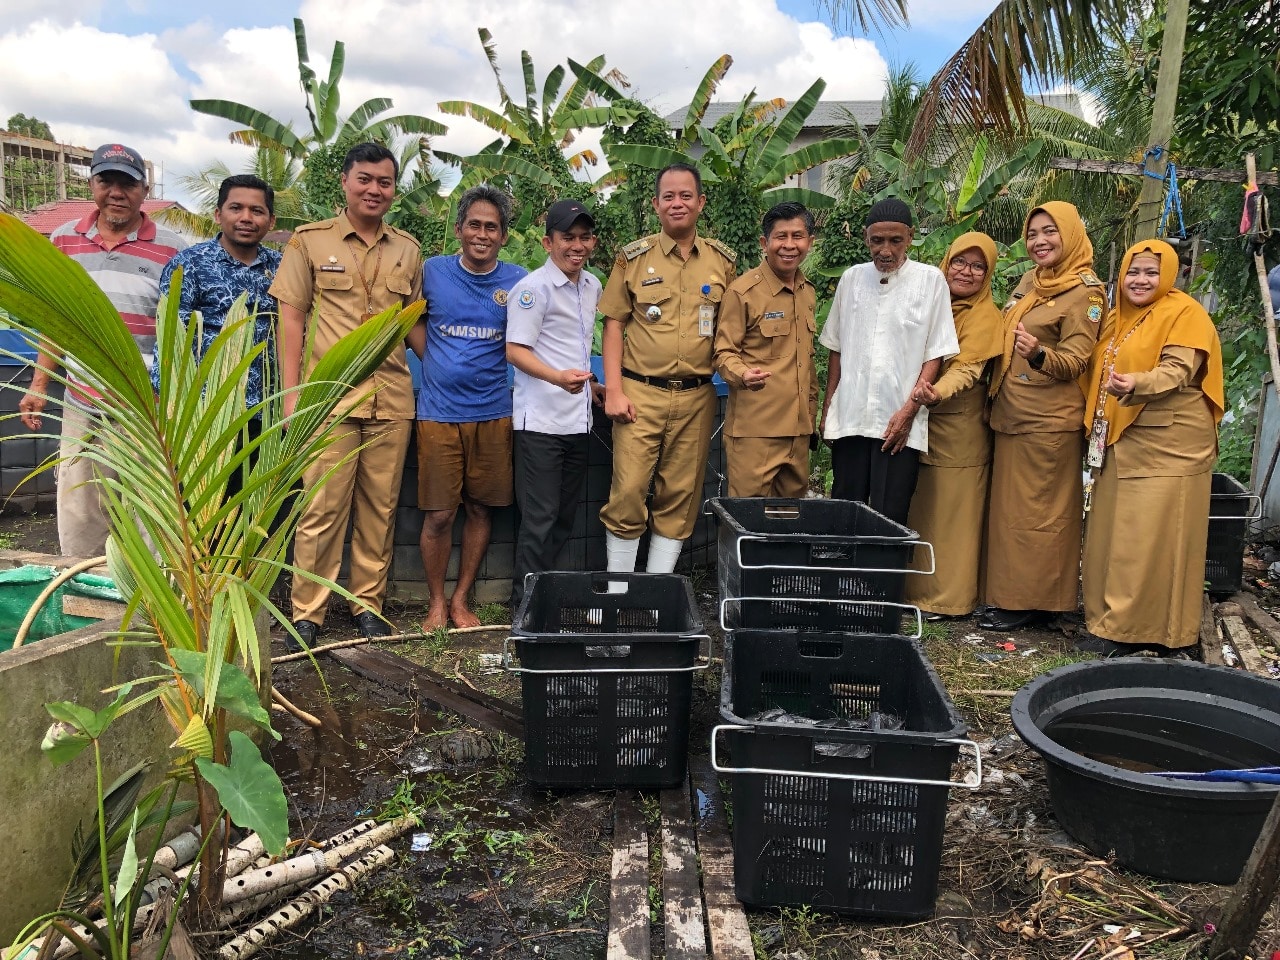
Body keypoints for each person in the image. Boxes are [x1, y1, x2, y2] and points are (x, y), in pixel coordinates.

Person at [269, 142, 422, 646]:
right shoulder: (309, 242)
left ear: (394, 189)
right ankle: (308, 612)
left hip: (392, 397)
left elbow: (415, 326)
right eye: (365, 179)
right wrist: (292, 397)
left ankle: (366, 605)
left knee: (381, 507)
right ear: (345, 181)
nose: (374, 189)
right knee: (321, 508)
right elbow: (290, 318)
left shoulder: (408, 249)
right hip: (328, 400)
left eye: (384, 182)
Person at [18, 143, 187, 558]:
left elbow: (179, 329)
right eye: (106, 180)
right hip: (82, 397)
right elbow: (55, 321)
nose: (116, 191)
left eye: (126, 183)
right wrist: (38, 384)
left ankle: (149, 602)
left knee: (149, 507)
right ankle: (84, 596)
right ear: (91, 184)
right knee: (80, 506)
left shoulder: (172, 248)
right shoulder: (62, 241)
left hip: (145, 402)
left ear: (143, 190)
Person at [1079, 239, 1224, 654]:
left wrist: (1137, 384)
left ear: (1170, 275)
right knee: (1112, 534)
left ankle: (1147, 633)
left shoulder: (1185, 313)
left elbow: (1178, 370)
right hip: (1122, 436)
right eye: (1133, 272)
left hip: (1170, 444)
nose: (1140, 281)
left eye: (1150, 273)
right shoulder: (1117, 317)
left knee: (1153, 538)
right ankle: (1109, 621)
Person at [599, 163, 737, 575]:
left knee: (680, 494)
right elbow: (613, 324)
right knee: (628, 491)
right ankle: (621, 594)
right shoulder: (633, 258)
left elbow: (731, 328)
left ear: (700, 203)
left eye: (686, 196)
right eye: (669, 197)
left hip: (696, 395)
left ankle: (658, 593)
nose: (677, 203)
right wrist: (615, 389)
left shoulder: (721, 262)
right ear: (656, 204)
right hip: (639, 393)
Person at [979, 202, 1102, 632]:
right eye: (1032, 234)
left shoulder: (1086, 292)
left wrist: (1038, 353)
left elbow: (1076, 361)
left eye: (1050, 232)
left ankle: (1036, 602)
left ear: (1069, 234)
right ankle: (1012, 594)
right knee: (1013, 514)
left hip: (1049, 421)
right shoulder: (1032, 281)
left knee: (1043, 516)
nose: (1039, 241)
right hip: (1011, 414)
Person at [411, 185, 526, 629]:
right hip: (439, 414)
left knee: (481, 509)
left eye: (491, 227)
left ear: (503, 236)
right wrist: (438, 364)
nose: (482, 234)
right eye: (474, 225)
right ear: (459, 229)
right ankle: (436, 602)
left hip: (494, 412)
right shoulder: (433, 272)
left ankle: (461, 600)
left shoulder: (517, 281)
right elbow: (413, 322)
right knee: (439, 514)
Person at [818, 197, 957, 525]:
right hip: (851, 418)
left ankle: (881, 579)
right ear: (866, 237)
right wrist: (828, 411)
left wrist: (909, 412)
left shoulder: (930, 280)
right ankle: (845, 578)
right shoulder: (851, 279)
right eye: (877, 240)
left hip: (897, 424)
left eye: (895, 241)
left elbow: (934, 352)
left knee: (888, 519)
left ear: (910, 237)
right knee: (843, 514)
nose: (885, 250)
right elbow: (836, 348)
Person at [505, 199, 602, 610]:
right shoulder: (532, 289)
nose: (576, 246)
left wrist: (590, 383)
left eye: (584, 238)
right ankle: (524, 607)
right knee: (539, 519)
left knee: (564, 517)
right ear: (548, 242)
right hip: (541, 422)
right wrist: (558, 378)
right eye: (567, 238)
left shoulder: (593, 285)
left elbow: (575, 347)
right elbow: (515, 351)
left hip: (577, 420)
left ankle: (545, 594)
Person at [905, 232, 1005, 618]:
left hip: (959, 432)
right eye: (959, 262)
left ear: (988, 274)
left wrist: (934, 391)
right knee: (924, 509)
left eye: (977, 266)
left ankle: (948, 600)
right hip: (922, 423)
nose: (966, 271)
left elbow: (968, 369)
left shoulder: (983, 316)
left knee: (952, 517)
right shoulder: (933, 304)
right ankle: (916, 592)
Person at [154, 175, 280, 465]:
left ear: (271, 221)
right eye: (236, 208)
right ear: (218, 214)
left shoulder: (282, 268)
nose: (246, 217)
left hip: (267, 413)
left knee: (261, 506)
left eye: (257, 211)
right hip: (203, 414)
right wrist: (167, 407)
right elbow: (169, 336)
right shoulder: (189, 264)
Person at [714, 201, 818, 498]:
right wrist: (743, 374)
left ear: (809, 242)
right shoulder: (743, 292)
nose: (789, 245)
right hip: (755, 433)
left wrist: (811, 419)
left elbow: (807, 363)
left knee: (792, 522)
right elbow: (723, 352)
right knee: (749, 522)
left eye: (797, 236)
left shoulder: (807, 291)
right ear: (765, 242)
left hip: (798, 432)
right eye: (780, 237)